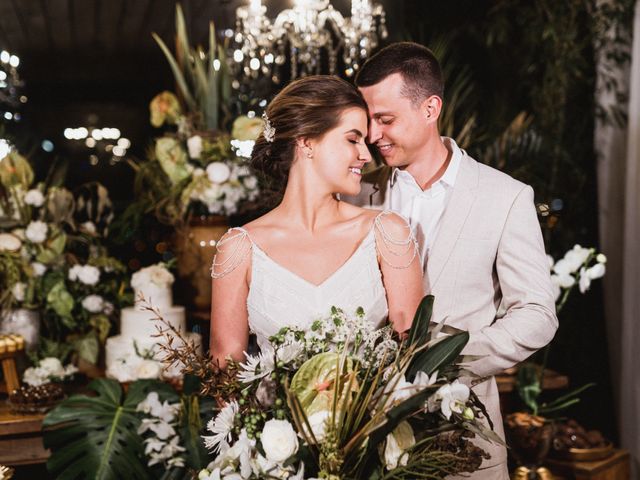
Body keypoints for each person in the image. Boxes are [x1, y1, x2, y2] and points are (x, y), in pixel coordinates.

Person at [345, 42, 558, 479]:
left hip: (467, 437)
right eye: (369, 122)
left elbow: (537, 314)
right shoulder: (357, 196)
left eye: (386, 120)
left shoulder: (507, 196)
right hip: (362, 437)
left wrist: (448, 359)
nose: (373, 136)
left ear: (430, 108)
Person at [209, 75, 423, 368]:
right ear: (307, 142)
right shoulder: (239, 248)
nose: (366, 156)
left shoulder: (387, 233)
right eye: (352, 139)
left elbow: (412, 359)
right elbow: (224, 371)